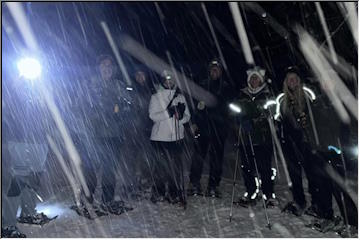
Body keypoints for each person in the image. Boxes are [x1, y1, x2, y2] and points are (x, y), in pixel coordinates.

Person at [2, 74, 53, 236]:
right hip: (19, 141)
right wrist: (14, 86)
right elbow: (7, 112)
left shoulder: (40, 92)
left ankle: (28, 213)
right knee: (18, 179)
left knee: (34, 177)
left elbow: (48, 114)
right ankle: (7, 223)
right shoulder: (11, 93)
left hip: (39, 140)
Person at [277, 66, 331, 219]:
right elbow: (280, 119)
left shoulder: (307, 95)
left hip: (306, 142)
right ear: (286, 82)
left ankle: (316, 202)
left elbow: (316, 116)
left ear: (299, 80)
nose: (292, 81)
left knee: (311, 173)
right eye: (289, 79)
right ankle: (299, 201)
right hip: (289, 142)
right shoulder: (282, 100)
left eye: (294, 78)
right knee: (294, 174)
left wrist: (306, 123)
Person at [83, 54, 134, 214]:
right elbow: (82, 106)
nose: (107, 68)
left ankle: (107, 199)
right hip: (94, 134)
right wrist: (98, 112)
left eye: (109, 65)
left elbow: (129, 105)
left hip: (114, 134)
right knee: (91, 167)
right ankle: (87, 200)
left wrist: (121, 112)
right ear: (98, 68)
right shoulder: (90, 85)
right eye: (103, 65)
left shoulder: (119, 85)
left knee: (110, 169)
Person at [231, 66, 278, 208]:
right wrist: (239, 119)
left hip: (263, 138)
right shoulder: (241, 95)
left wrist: (254, 120)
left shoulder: (268, 95)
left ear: (261, 79)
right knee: (247, 168)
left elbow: (271, 114)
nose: (254, 80)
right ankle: (251, 192)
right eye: (252, 77)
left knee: (264, 168)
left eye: (256, 77)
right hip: (246, 138)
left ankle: (268, 195)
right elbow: (233, 110)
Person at [187, 59, 233, 198]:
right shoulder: (202, 85)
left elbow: (230, 108)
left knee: (217, 159)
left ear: (221, 71)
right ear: (209, 70)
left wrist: (228, 120)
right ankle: (194, 183)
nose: (214, 71)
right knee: (198, 156)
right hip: (203, 127)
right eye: (212, 69)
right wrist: (194, 122)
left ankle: (213, 185)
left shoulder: (226, 87)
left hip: (219, 129)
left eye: (217, 69)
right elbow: (195, 106)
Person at [148, 70, 190, 205]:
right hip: (160, 137)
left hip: (177, 137)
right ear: (163, 81)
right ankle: (158, 192)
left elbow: (187, 117)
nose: (169, 82)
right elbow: (153, 116)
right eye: (166, 80)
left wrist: (182, 116)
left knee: (175, 167)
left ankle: (173, 192)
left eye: (171, 80)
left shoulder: (180, 97)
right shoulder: (156, 96)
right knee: (160, 167)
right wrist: (168, 113)